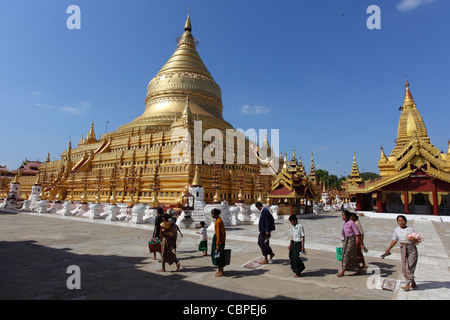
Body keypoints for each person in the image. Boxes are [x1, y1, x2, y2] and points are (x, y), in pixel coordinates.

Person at [384, 215, 418, 291]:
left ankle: (407, 284)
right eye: (399, 221)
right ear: (397, 222)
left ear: (405, 221)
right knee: (404, 265)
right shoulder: (396, 230)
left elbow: (417, 238)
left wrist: (413, 239)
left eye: (403, 220)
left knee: (410, 266)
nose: (401, 222)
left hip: (411, 248)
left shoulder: (410, 229)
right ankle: (413, 282)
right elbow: (394, 240)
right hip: (403, 248)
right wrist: (389, 248)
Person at [337, 210, 364, 277]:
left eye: (343, 215)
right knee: (352, 256)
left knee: (347, 255)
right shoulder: (345, 223)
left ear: (347, 216)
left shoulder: (351, 223)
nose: (342, 217)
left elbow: (357, 233)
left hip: (351, 240)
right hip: (346, 240)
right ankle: (360, 269)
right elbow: (343, 232)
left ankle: (343, 271)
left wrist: (360, 243)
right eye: (342, 215)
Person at [211, 208, 226, 277]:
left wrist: (217, 244)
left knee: (219, 256)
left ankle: (221, 271)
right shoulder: (218, 220)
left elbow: (219, 234)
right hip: (218, 240)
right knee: (217, 255)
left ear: (216, 214)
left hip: (219, 241)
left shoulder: (218, 222)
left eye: (212, 214)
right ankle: (219, 269)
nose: (212, 215)